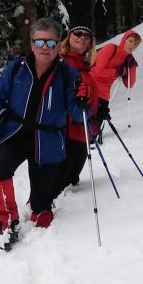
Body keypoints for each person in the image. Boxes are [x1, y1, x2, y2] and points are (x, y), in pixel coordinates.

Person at [0, 17, 83, 250]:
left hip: (47, 140)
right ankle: (7, 220)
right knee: (0, 168)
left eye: (51, 43)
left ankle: (39, 205)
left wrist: (84, 101)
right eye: (40, 41)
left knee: (41, 208)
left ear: (58, 45)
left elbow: (76, 113)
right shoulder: (17, 68)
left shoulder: (67, 75)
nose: (45, 47)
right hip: (14, 133)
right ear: (32, 43)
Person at [51, 21, 99, 198]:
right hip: (65, 131)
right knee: (59, 181)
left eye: (87, 36)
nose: (82, 38)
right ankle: (40, 214)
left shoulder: (85, 64)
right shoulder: (61, 62)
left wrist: (97, 109)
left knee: (71, 179)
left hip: (83, 128)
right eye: (78, 34)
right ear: (68, 38)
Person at [91, 29, 141, 131]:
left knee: (95, 132)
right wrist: (118, 72)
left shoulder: (127, 61)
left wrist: (132, 67)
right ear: (124, 40)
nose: (132, 46)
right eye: (130, 41)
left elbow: (129, 84)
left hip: (104, 95)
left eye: (135, 44)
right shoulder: (110, 49)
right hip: (90, 88)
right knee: (85, 130)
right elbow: (97, 72)